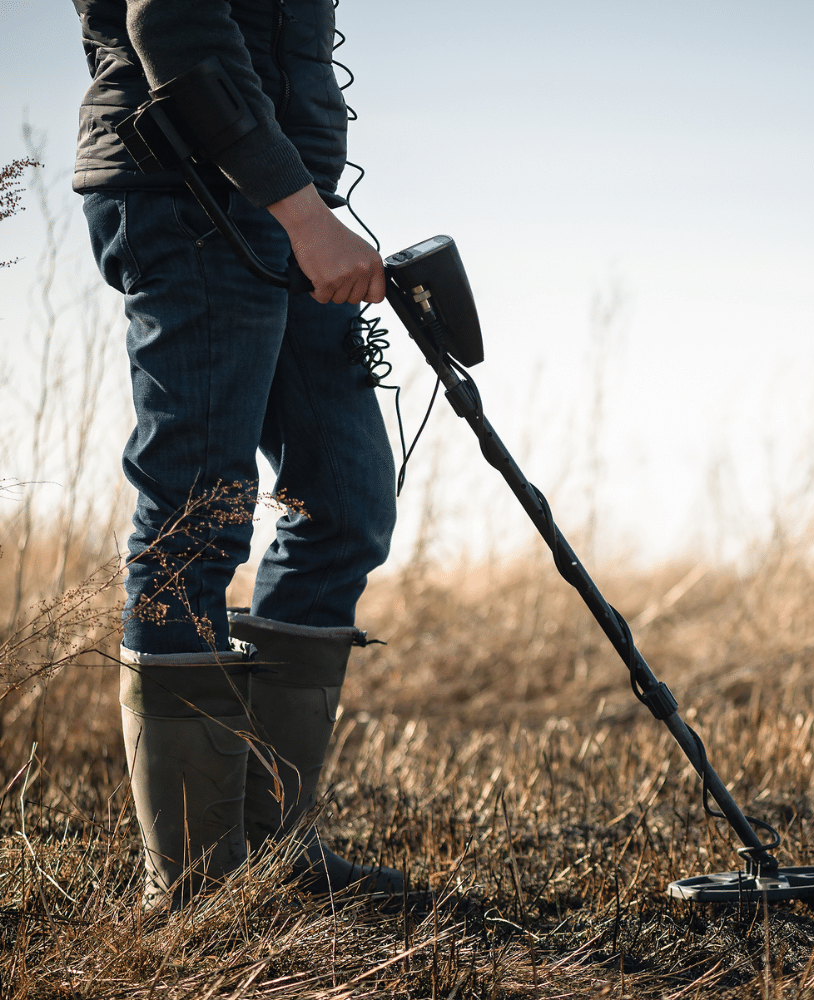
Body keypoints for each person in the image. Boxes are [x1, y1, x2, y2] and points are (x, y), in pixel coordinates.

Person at [71, 0, 402, 910]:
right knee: (197, 517)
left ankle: (269, 849)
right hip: (187, 191)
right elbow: (173, 23)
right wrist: (301, 213)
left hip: (283, 203)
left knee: (344, 503)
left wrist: (304, 207)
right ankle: (194, 889)